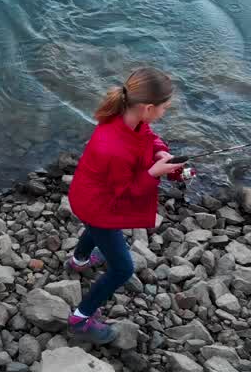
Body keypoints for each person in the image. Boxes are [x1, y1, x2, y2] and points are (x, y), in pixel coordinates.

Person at [64, 67, 188, 344]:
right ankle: (80, 319)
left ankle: (79, 261)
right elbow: (127, 194)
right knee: (122, 269)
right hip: (100, 205)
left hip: (87, 196)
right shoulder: (115, 148)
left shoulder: (125, 116)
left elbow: (146, 135)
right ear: (147, 107)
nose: (165, 112)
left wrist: (159, 150)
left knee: (95, 229)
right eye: (164, 108)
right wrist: (154, 173)